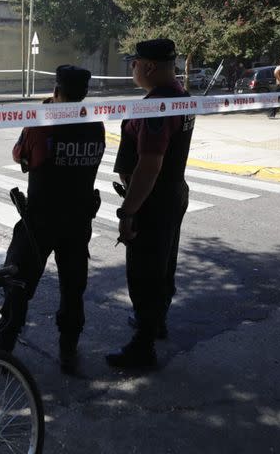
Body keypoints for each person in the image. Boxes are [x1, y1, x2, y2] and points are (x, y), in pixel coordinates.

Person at [0, 65, 105, 375]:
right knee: (73, 289)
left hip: (40, 222)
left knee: (16, 283)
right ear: (84, 93)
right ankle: (68, 350)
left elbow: (21, 156)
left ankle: (4, 349)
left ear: (57, 90)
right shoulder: (94, 124)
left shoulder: (42, 123)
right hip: (78, 219)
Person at [107, 38, 195, 369]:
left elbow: (150, 164)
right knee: (163, 264)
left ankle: (143, 347)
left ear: (149, 66)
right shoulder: (180, 96)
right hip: (173, 193)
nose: (132, 68)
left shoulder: (158, 105)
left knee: (144, 273)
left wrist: (128, 211)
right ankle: (156, 323)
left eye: (134, 63)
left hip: (153, 198)